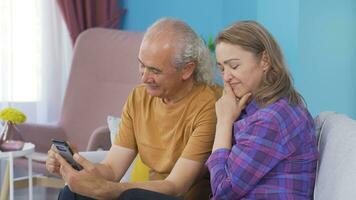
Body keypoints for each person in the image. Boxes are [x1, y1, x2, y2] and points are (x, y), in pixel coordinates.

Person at [46, 18, 221, 200]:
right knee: (71, 193)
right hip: (142, 195)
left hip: (179, 197)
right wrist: (75, 166)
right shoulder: (139, 98)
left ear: (187, 69)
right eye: (141, 65)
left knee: (131, 196)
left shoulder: (209, 105)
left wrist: (106, 189)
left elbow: (176, 186)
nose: (144, 78)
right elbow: (112, 169)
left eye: (155, 70)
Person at [206, 20, 319, 199]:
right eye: (221, 68)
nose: (226, 77)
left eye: (234, 66)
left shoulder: (272, 119)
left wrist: (223, 122)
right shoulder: (256, 109)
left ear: (265, 60)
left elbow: (222, 190)